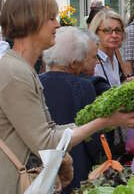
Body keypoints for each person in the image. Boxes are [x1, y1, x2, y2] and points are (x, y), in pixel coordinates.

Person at [0, 0, 134, 194]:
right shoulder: (15, 72)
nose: (57, 24)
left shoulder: (21, 68)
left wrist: (107, 118)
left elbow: (49, 131)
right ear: (30, 21)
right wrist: (105, 121)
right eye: (51, 18)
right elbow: (47, 142)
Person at [40, 27, 101, 193]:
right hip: (76, 167)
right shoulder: (84, 86)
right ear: (74, 63)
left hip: (44, 166)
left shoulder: (36, 83)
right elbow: (92, 136)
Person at [89, 9, 127, 88]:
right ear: (96, 33)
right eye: (107, 30)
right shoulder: (92, 61)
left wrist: (126, 83)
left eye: (118, 30)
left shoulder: (115, 55)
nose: (114, 35)